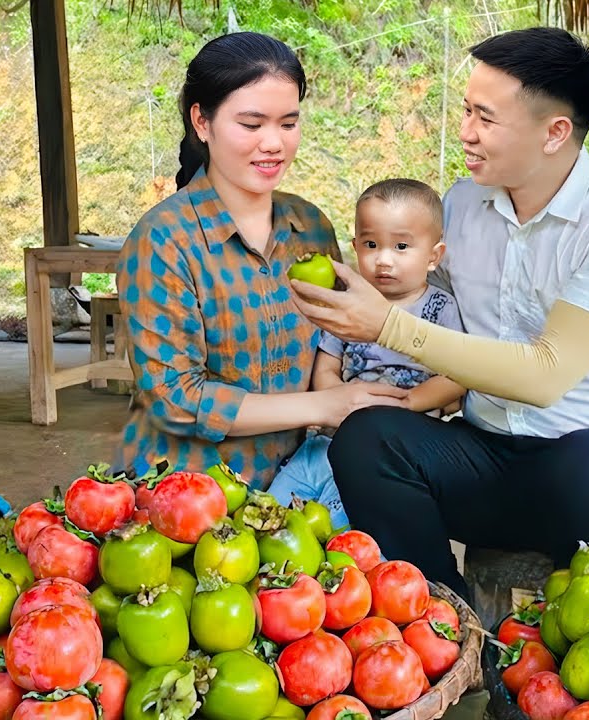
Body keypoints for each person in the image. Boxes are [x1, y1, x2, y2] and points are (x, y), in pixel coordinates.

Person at [288, 26, 589, 600]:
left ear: (555, 132)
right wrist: (349, 297)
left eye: (485, 119)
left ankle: (584, 637)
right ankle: (443, 618)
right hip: (482, 452)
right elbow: (419, 299)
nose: (465, 132)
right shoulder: (464, 205)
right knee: (367, 439)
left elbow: (545, 375)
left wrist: (385, 324)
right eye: (467, 110)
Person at [116, 32, 409, 489]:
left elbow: (335, 346)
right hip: (184, 496)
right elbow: (176, 399)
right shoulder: (163, 240)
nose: (273, 143)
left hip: (301, 488)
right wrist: (324, 406)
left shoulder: (310, 226)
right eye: (252, 125)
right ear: (202, 122)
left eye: (288, 124)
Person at [266, 179, 467, 530]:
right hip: (326, 440)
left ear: (434, 256)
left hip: (387, 454)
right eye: (371, 244)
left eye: (402, 246)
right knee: (271, 513)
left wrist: (408, 403)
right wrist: (336, 401)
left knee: (337, 529)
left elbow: (456, 377)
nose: (384, 259)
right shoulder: (346, 302)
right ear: (355, 246)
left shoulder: (441, 308)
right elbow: (326, 366)